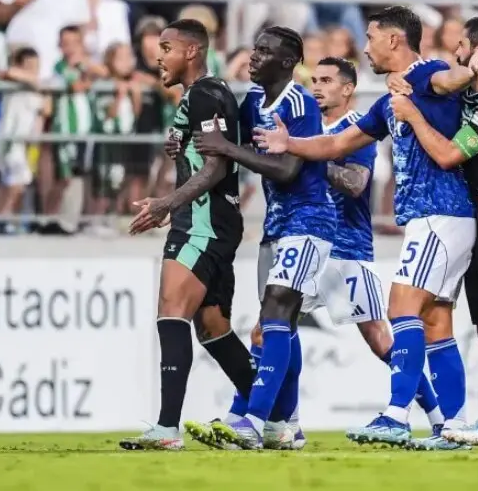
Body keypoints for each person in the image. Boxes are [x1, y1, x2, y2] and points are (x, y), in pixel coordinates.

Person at [188, 56, 445, 451]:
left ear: (348, 89)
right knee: (270, 327)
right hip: (301, 238)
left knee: (379, 339)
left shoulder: (354, 131)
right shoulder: (300, 127)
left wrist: (304, 156)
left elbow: (357, 184)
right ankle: (280, 423)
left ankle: (436, 417)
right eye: (315, 80)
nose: (318, 87)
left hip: (347, 250)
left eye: (328, 80)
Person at [254, 6, 478, 449]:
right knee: (435, 322)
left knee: (400, 312)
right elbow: (338, 142)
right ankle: (453, 423)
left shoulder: (425, 72)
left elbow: (447, 80)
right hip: (435, 218)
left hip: (439, 212)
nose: (365, 46)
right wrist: (289, 142)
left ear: (394, 40)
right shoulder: (386, 103)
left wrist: (468, 70)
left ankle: (396, 416)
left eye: (372, 37)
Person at [180, 26, 336, 451]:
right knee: (279, 325)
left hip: (310, 221)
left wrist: (228, 150)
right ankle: (287, 425)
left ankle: (248, 417)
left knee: (275, 315)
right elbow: (224, 142)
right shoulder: (252, 102)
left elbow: (287, 169)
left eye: (265, 52)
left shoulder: (299, 102)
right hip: (275, 226)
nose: (254, 56)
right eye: (254, 48)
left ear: (288, 62)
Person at [388, 16, 478, 451]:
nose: (453, 52)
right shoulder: (471, 93)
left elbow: (451, 154)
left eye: (460, 44)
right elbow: (442, 80)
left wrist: (412, 113)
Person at [118, 19, 253, 451]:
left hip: (203, 222)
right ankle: (275, 413)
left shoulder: (206, 95)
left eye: (167, 47)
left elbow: (216, 167)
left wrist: (167, 203)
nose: (158, 56)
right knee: (213, 328)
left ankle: (166, 428)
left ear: (192, 51)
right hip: (204, 220)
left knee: (171, 309)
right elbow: (202, 160)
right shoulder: (197, 98)